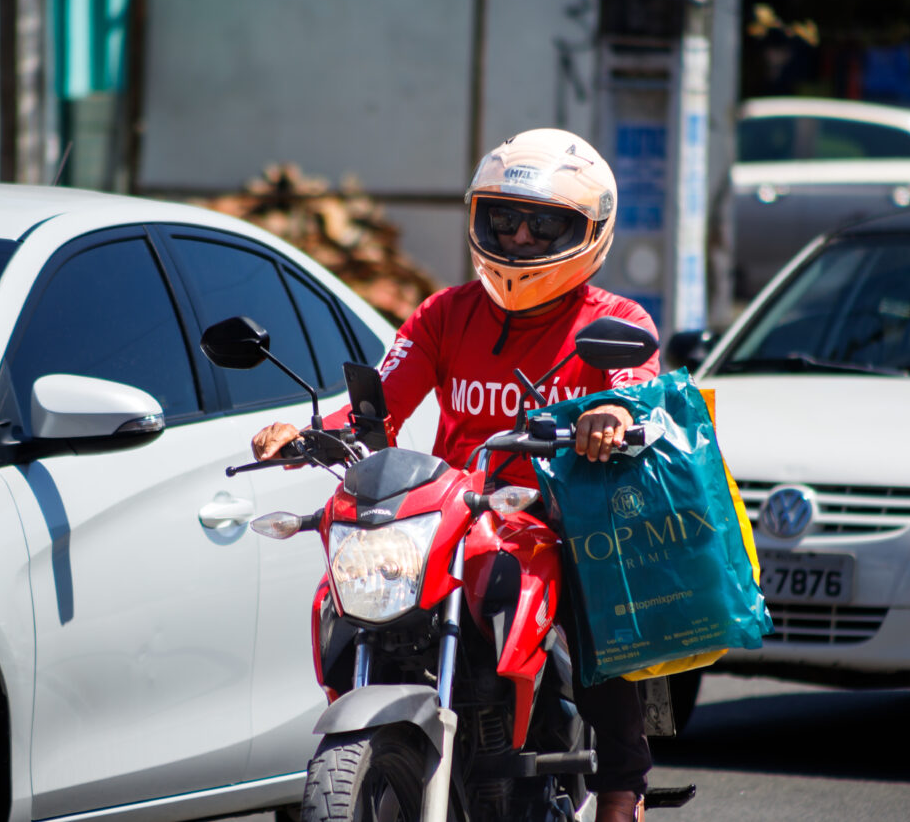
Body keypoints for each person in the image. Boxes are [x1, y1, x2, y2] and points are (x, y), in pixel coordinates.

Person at [252, 128, 659, 822]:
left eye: (543, 223)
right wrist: (311, 434)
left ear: (588, 230)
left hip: (555, 515)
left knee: (600, 617)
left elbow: (634, 385)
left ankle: (622, 789)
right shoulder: (446, 312)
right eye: (504, 218)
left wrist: (612, 414)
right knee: (354, 595)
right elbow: (377, 402)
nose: (521, 237)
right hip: (454, 509)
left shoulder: (613, 319)